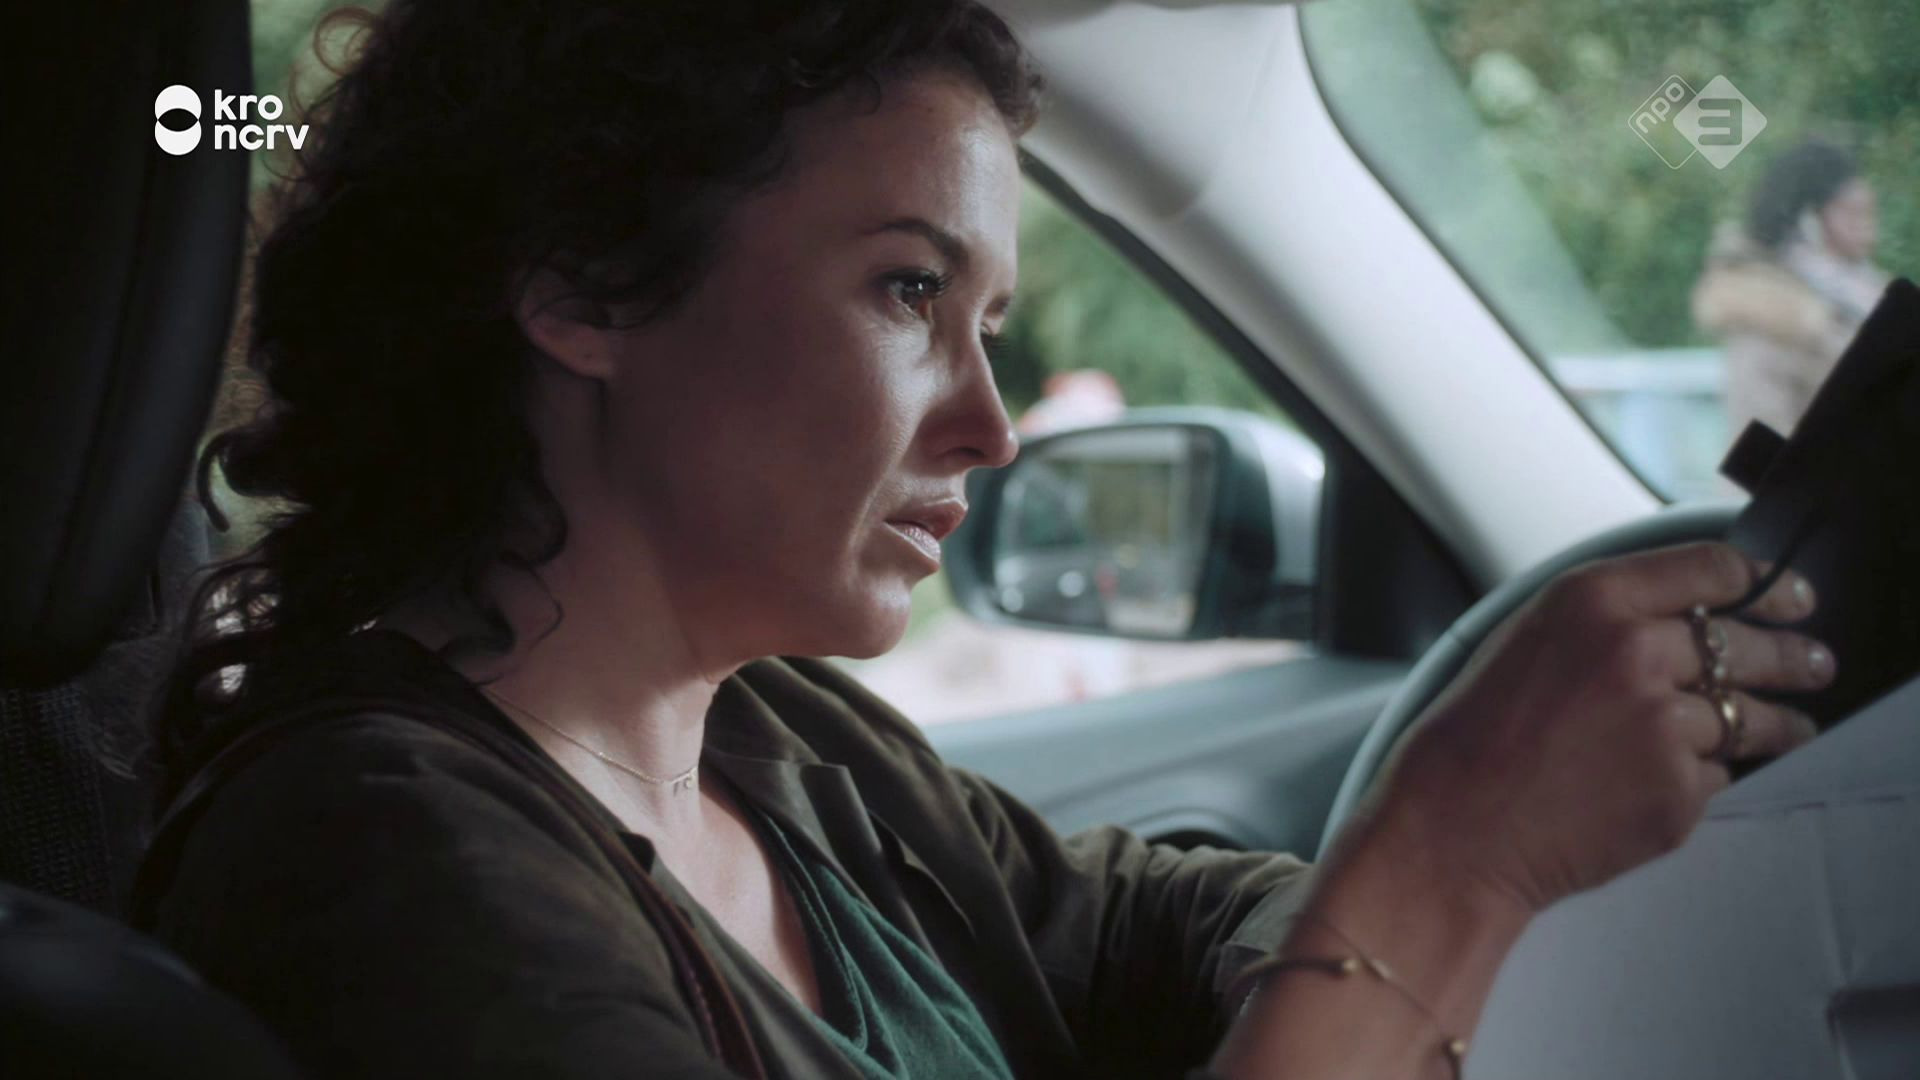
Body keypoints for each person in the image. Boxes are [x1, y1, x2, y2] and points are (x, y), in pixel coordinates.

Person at [139, 3, 1838, 1078]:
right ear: (582, 287)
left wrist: (1367, 935)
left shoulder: (785, 749)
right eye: (907, 291)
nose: (990, 426)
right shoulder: (378, 861)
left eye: (992, 325)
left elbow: (1173, 920)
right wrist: (1443, 870)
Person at [1693, 137, 1891, 440]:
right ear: (1808, 222)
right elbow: (1763, 456)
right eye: (1853, 213)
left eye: (1869, 213)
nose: (1869, 231)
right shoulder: (1763, 322)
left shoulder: (1861, 300)